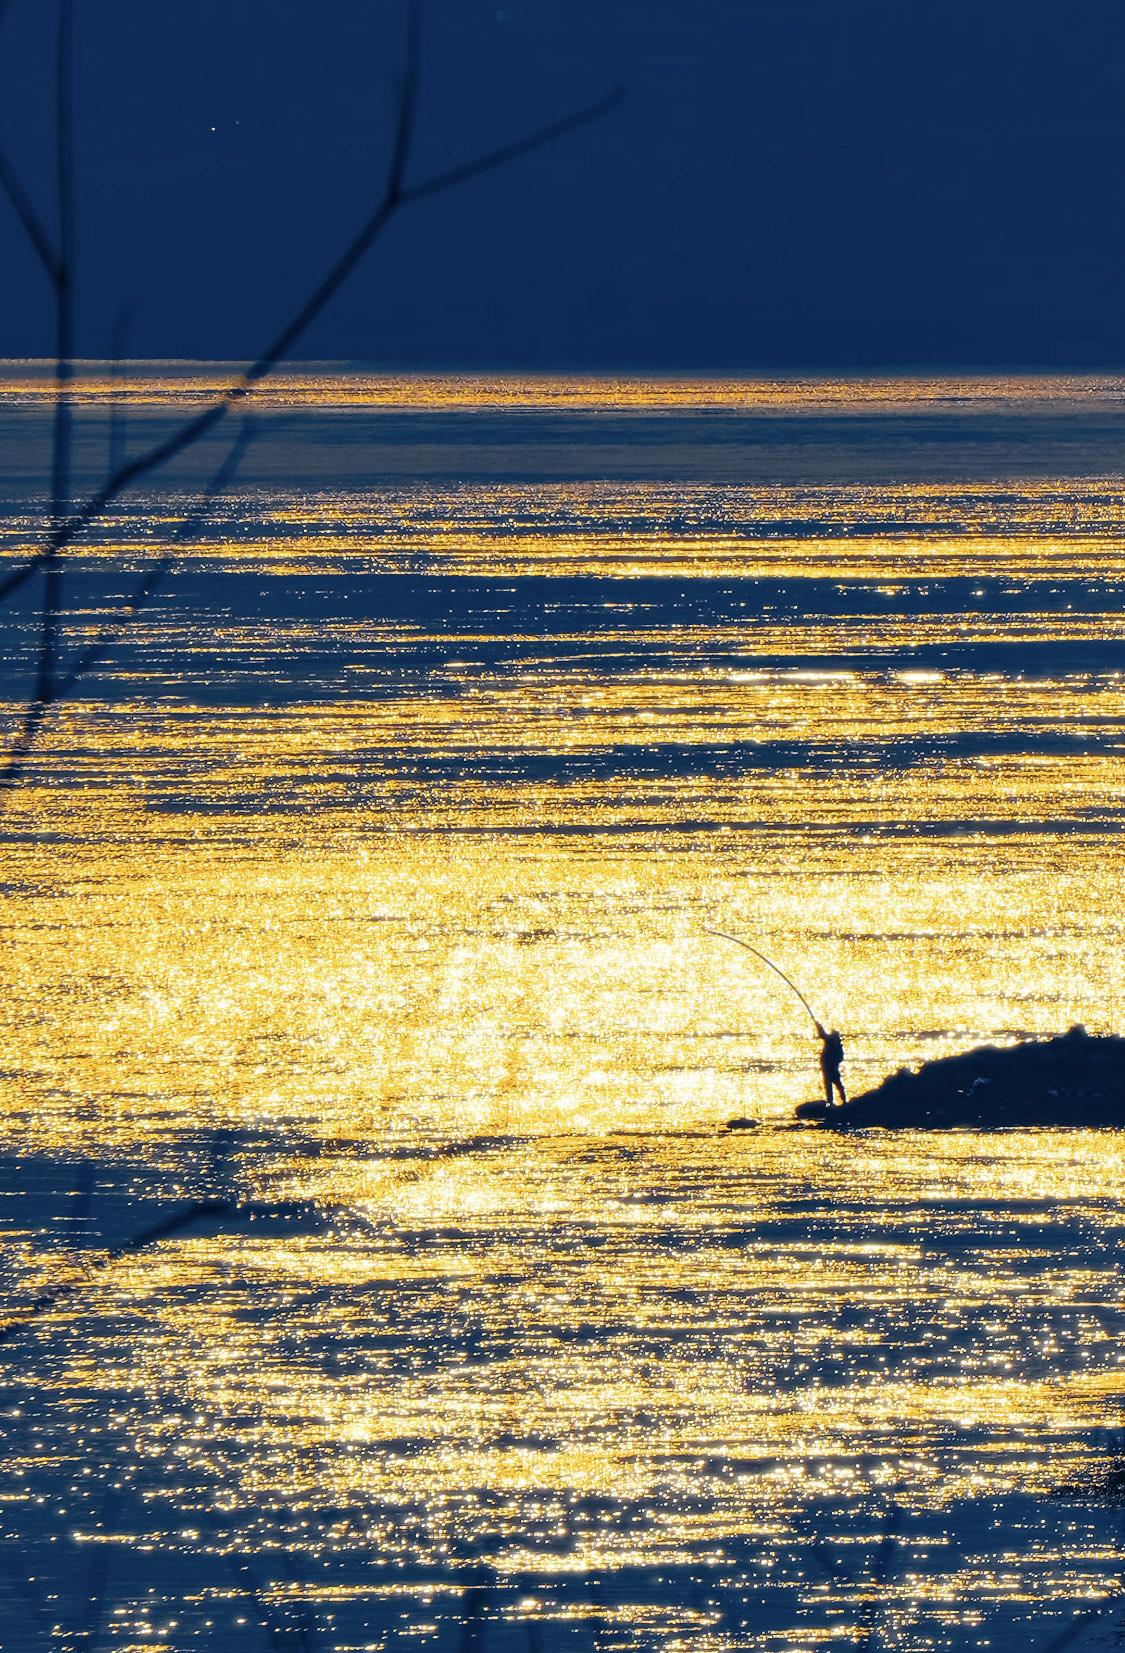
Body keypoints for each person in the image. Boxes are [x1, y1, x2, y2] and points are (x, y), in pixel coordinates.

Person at [815, 1021, 846, 1106]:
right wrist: (818, 1025)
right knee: (832, 1086)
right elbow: (823, 1034)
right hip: (830, 1068)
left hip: (830, 1068)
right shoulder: (833, 1043)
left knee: (833, 1086)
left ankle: (838, 1103)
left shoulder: (831, 1042)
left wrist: (818, 1026)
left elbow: (823, 1034)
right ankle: (836, 1103)